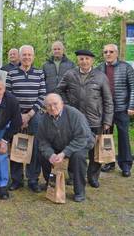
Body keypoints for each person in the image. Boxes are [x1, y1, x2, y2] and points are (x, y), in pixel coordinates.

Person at [56, 49, 114, 188]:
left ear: (92, 61)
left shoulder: (100, 76)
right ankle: (73, 176)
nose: (84, 61)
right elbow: (58, 91)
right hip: (75, 120)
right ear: (78, 60)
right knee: (74, 148)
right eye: (81, 59)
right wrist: (67, 105)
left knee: (95, 151)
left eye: (87, 59)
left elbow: (108, 100)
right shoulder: (70, 74)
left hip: (95, 120)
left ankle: (93, 176)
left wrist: (107, 121)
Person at [38, 93, 95, 202]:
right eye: (49, 105)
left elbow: (82, 137)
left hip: (81, 143)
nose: (52, 107)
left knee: (78, 157)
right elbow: (42, 141)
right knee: (43, 154)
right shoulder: (43, 119)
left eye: (55, 104)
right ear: (45, 107)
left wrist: (64, 153)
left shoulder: (74, 114)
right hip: (58, 144)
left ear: (62, 104)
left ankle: (79, 191)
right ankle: (51, 183)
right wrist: (51, 155)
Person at [6, 45, 46, 193]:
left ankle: (33, 179)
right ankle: (16, 179)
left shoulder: (39, 73)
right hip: (16, 115)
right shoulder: (11, 74)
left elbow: (42, 95)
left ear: (33, 57)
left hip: (35, 115)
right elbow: (8, 96)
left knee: (35, 148)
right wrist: (19, 115)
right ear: (20, 56)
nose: (27, 57)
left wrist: (29, 114)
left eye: (30, 55)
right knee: (17, 145)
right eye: (24, 55)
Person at [96, 44, 134, 177]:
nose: (108, 54)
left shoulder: (126, 67)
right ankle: (109, 162)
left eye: (111, 51)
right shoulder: (99, 68)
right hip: (106, 110)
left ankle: (125, 165)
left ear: (116, 53)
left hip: (122, 109)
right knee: (107, 137)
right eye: (105, 51)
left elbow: (133, 87)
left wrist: (131, 106)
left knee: (123, 137)